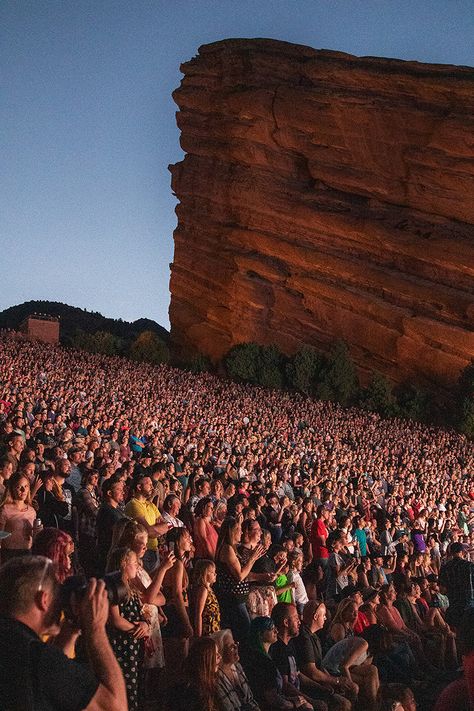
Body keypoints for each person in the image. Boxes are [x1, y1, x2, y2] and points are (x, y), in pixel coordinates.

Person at [0, 555, 127, 710]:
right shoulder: (36, 657)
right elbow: (115, 707)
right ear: (44, 600)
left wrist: (72, 627)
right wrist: (96, 629)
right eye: (57, 594)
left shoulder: (14, 644)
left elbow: (54, 681)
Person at [106, 546, 149, 711]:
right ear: (123, 564)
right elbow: (115, 619)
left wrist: (145, 624)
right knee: (125, 687)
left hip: (134, 644)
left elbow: (140, 612)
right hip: (121, 645)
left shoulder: (132, 587)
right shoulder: (114, 587)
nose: (138, 566)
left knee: (136, 686)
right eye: (134, 563)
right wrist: (136, 628)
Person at [293, 600, 355, 711]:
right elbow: (311, 672)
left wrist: (334, 682)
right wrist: (336, 681)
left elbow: (320, 666)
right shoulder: (304, 638)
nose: (325, 618)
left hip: (318, 682)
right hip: (307, 686)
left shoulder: (314, 636)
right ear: (316, 616)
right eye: (324, 615)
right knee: (344, 704)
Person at [241, 615, 311, 710]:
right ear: (261, 634)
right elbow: (272, 699)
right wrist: (294, 704)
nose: (276, 631)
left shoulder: (264, 656)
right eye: (271, 629)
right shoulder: (262, 662)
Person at [215, 517, 265, 643]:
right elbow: (240, 576)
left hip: (239, 598)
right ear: (232, 531)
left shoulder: (233, 548)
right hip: (233, 599)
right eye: (239, 530)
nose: (242, 533)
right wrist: (252, 558)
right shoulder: (227, 549)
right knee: (245, 632)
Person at [125, 475, 170, 573]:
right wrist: (156, 529)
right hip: (141, 552)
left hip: (154, 550)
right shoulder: (134, 504)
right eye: (149, 484)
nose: (152, 487)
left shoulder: (151, 504)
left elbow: (167, 525)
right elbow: (149, 532)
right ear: (139, 487)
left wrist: (153, 529)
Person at [211, 628, 260, 711]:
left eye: (235, 643)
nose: (236, 647)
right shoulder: (216, 677)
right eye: (231, 646)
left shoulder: (237, 666)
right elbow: (228, 708)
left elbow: (250, 699)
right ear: (220, 652)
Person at [166, 636, 219, 711]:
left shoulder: (205, 684)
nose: (220, 657)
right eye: (215, 654)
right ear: (205, 658)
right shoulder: (190, 691)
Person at [0, 472, 36, 562]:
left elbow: (33, 536)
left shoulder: (32, 511)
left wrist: (36, 531)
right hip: (9, 555)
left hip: (27, 553)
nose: (23, 490)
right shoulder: (5, 509)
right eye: (19, 487)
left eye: (26, 486)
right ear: (12, 489)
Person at [439, 541, 474, 630]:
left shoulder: (445, 567)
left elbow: (442, 589)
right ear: (462, 552)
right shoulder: (469, 566)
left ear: (451, 552)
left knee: (456, 631)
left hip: (453, 602)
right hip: (468, 602)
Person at [96, 477, 125, 574]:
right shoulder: (107, 511)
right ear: (109, 493)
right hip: (110, 559)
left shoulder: (117, 510)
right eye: (119, 490)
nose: (123, 492)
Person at [191, 558, 221, 636]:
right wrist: (199, 635)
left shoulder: (209, 589)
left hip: (214, 627)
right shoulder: (203, 590)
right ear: (204, 574)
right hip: (207, 630)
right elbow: (198, 614)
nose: (215, 574)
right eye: (212, 572)